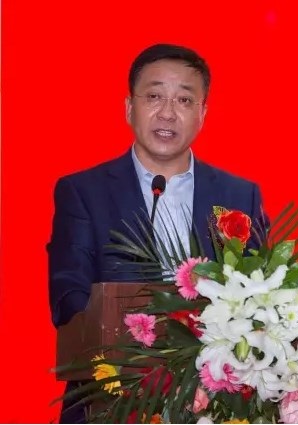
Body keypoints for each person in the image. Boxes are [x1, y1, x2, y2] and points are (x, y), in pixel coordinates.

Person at [47, 43, 268, 423]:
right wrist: (125, 349)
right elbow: (68, 295)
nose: (167, 112)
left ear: (202, 113)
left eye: (184, 100)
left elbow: (259, 293)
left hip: (218, 404)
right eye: (154, 96)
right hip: (112, 401)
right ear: (128, 107)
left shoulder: (239, 195)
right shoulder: (82, 192)